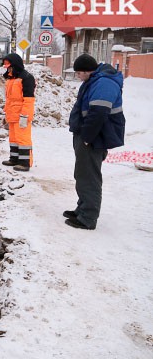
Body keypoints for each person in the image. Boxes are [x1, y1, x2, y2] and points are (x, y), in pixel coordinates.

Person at [64, 53, 125, 230]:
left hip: (93, 137)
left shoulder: (104, 83)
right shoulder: (95, 80)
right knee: (82, 173)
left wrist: (86, 137)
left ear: (86, 71)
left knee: (89, 176)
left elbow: (98, 113)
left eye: (78, 73)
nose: (77, 77)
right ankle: (82, 208)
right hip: (87, 134)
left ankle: (88, 217)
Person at [1, 53, 36, 171]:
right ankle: (14, 159)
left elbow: (28, 100)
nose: (8, 69)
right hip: (12, 115)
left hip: (22, 115)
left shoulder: (26, 78)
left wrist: (24, 116)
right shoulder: (11, 78)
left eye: (9, 66)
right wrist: (6, 114)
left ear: (15, 65)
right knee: (13, 139)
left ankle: (25, 163)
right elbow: (10, 99)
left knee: (23, 139)